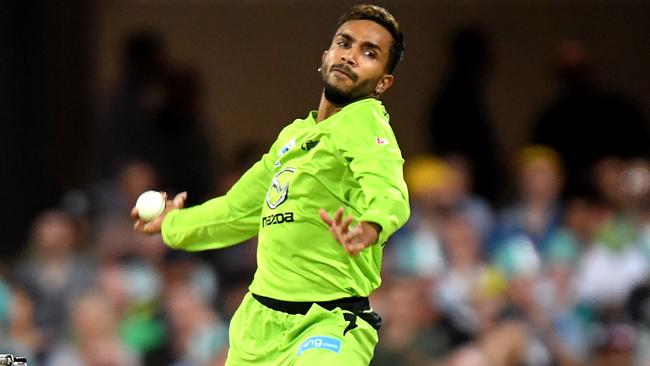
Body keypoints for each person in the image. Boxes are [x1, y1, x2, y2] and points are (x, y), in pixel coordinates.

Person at [131, 4, 410, 365]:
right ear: (325, 55)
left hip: (326, 324)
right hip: (258, 326)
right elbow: (238, 211)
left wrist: (372, 226)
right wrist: (171, 223)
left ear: (383, 82)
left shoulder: (365, 122)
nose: (350, 56)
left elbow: (389, 189)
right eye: (345, 43)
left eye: (369, 53)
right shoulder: (293, 136)